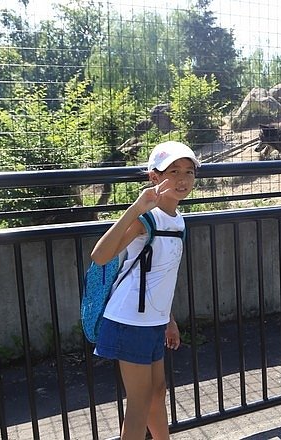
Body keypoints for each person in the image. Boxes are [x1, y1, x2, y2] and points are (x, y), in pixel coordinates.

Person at [91, 140, 199, 440]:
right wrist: (137, 207)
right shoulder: (146, 219)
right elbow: (100, 256)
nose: (182, 179)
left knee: (157, 391)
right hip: (129, 321)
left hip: (152, 321)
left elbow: (161, 278)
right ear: (154, 177)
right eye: (173, 170)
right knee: (139, 402)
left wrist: (169, 319)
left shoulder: (178, 220)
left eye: (189, 171)